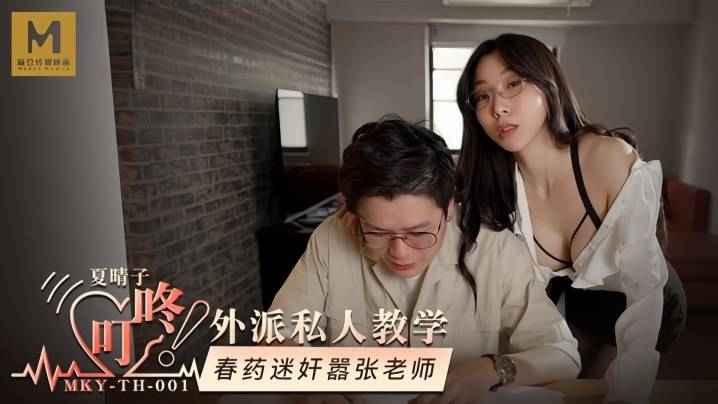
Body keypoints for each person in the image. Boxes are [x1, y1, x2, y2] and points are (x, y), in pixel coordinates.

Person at [269, 118, 580, 404]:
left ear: (450, 208)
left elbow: (563, 354)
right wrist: (316, 389)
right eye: (377, 232)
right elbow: (275, 340)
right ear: (353, 215)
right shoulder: (332, 237)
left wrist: (492, 369)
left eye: (419, 233)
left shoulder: (496, 250)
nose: (400, 253)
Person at [454, 33, 686, 403]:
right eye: (483, 96)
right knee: (551, 387)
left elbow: (644, 292)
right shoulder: (494, 189)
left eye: (513, 84)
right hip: (574, 308)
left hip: (646, 303)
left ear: (547, 84)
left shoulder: (606, 158)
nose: (498, 107)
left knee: (615, 391)